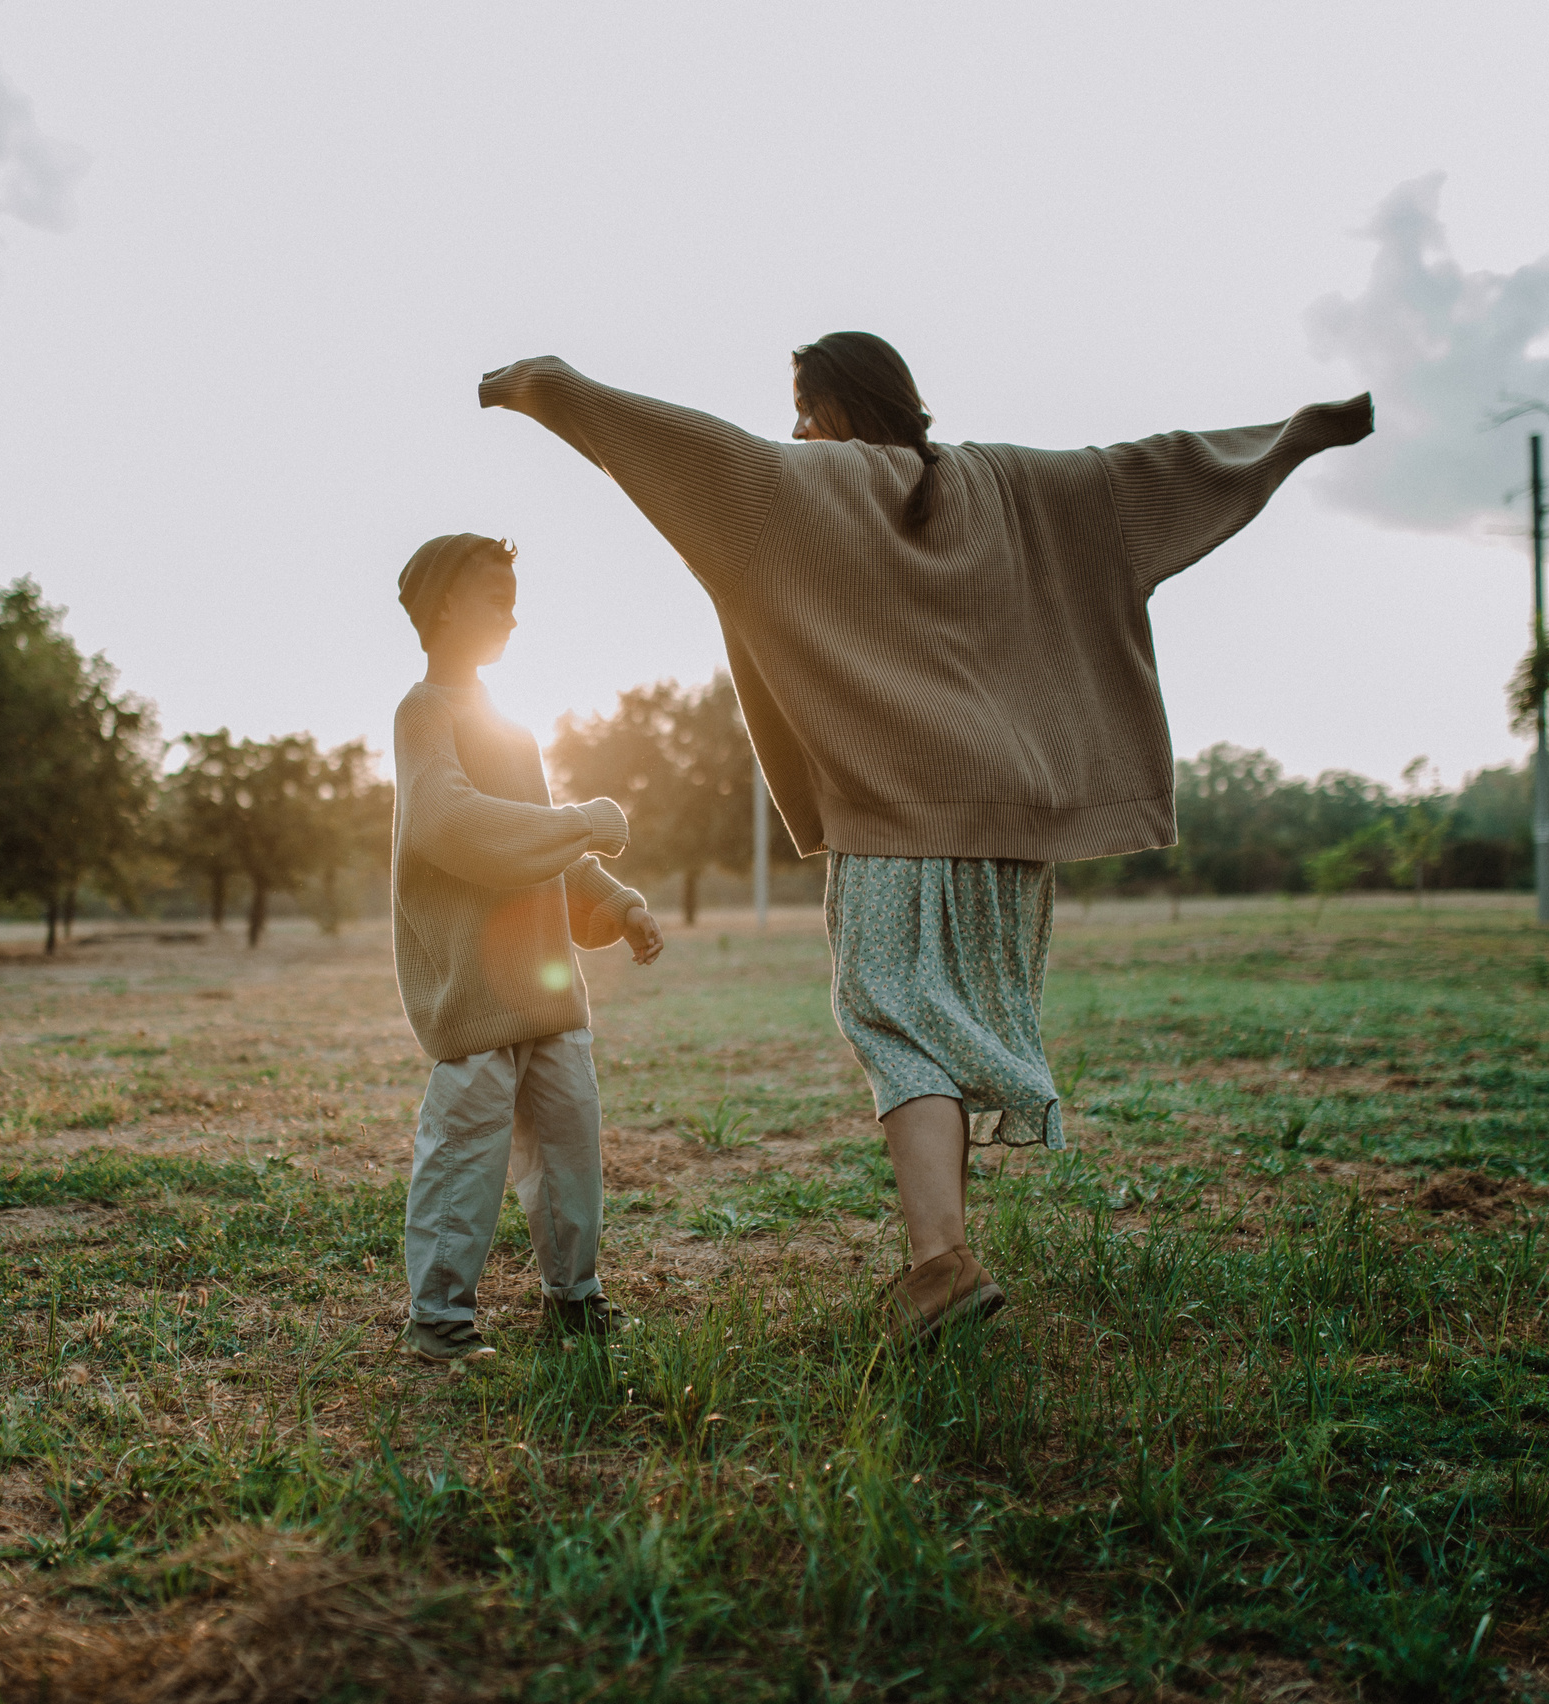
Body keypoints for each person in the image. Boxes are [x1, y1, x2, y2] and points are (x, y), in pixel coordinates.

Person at [480, 335, 1372, 1341]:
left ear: (843, 407)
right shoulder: (1021, 487)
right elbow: (1152, 472)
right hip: (1011, 827)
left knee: (897, 1025)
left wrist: (548, 389)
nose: (795, 432)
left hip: (898, 814)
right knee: (941, 1031)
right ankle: (941, 1258)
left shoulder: (811, 485)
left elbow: (679, 450)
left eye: (806, 410)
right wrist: (1293, 437)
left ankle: (941, 1264)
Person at [390, 532, 667, 1363]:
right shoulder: (425, 712)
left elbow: (543, 847)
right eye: (497, 599)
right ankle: (440, 1322)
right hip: (475, 990)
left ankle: (574, 1298)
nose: (514, 616)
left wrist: (615, 902)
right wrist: (583, 820)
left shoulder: (512, 731)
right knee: (465, 1156)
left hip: (548, 990)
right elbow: (451, 823)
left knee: (570, 1147)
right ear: (446, 604)